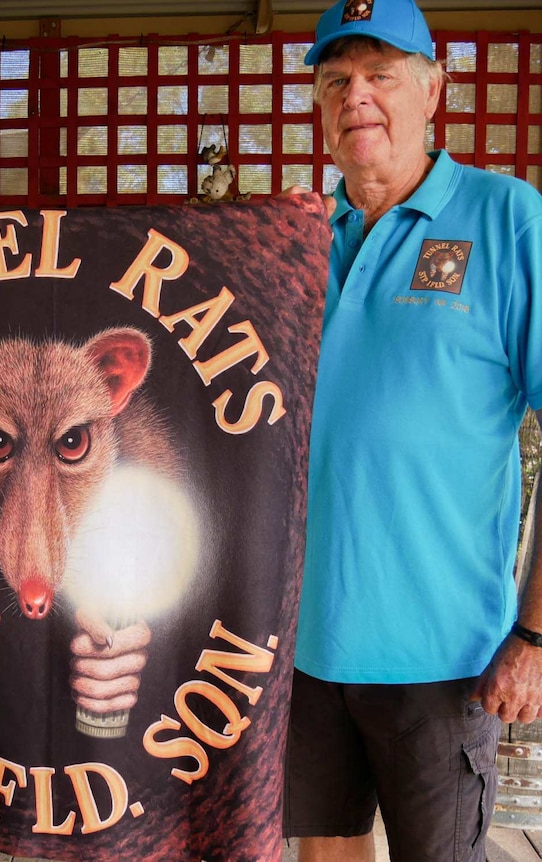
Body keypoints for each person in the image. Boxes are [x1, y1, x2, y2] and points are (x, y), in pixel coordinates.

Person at [282, 1, 542, 860]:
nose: (357, 96)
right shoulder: (296, 240)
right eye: (335, 81)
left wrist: (536, 637)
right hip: (304, 645)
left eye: (381, 75)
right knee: (324, 855)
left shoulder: (509, 220)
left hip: (445, 656)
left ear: (434, 89)